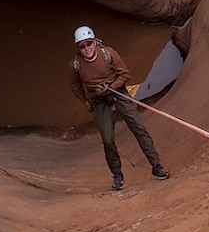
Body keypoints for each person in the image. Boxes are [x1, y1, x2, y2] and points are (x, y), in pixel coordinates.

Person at [69, 25, 170, 191]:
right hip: (97, 100)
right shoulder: (75, 65)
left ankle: (156, 166)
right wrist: (86, 101)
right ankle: (117, 175)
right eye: (82, 46)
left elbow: (125, 74)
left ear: (94, 42)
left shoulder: (108, 54)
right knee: (107, 139)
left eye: (89, 43)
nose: (87, 48)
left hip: (117, 92)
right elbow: (75, 85)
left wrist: (112, 87)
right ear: (78, 47)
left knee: (138, 126)